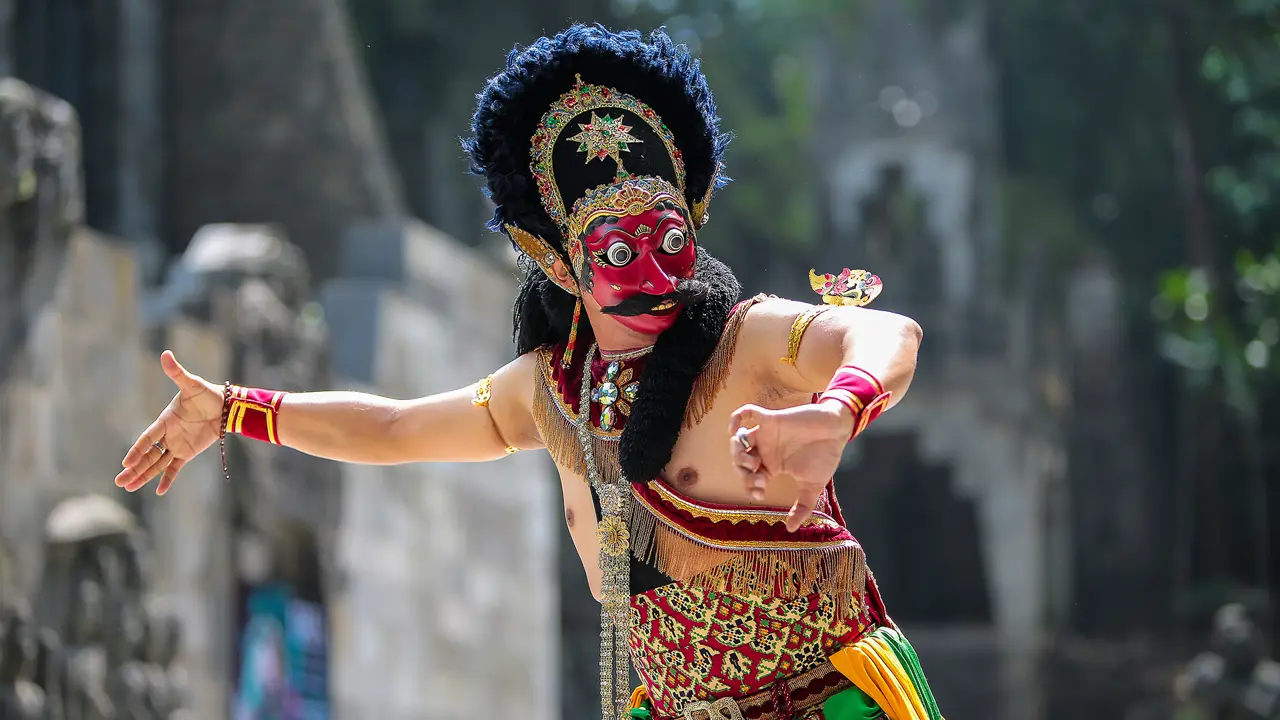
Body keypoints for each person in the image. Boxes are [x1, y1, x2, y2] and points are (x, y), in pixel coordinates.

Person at [115, 24, 940, 720]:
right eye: (618, 251)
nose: (653, 273)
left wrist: (837, 410)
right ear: (562, 264)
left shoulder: (746, 343)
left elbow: (881, 333)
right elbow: (396, 427)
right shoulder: (550, 393)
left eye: (669, 240)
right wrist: (232, 409)